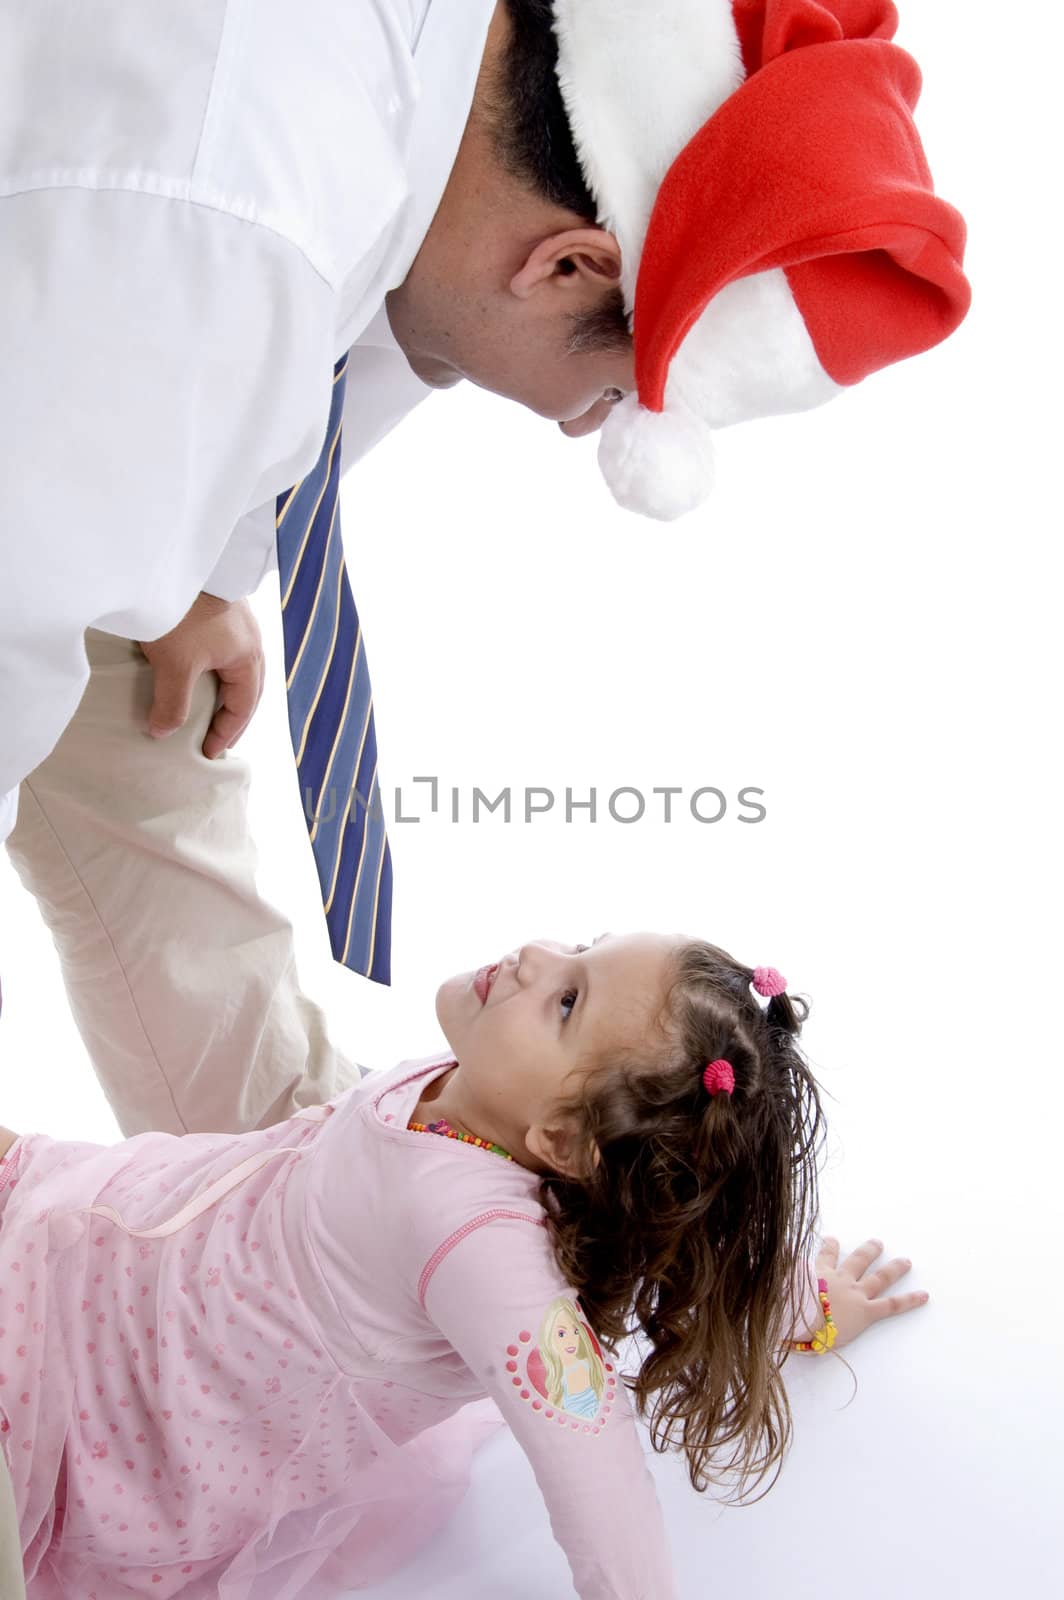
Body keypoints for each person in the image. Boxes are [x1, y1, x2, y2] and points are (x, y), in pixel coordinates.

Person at [1, 0, 972, 985]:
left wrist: (213, 574)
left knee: (147, 716)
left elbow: (371, 343)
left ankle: (314, 1137)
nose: (574, 424)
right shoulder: (240, 219)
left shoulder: (428, 115)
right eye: (605, 393)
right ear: (568, 264)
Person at [0, 916, 927, 1598]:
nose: (535, 957)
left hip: (107, 1388)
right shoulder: (483, 1092)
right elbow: (683, 1252)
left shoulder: (480, 1251)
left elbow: (596, 1471)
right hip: (111, 1243)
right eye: (580, 947)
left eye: (566, 1001)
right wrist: (795, 1305)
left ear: (564, 1141)